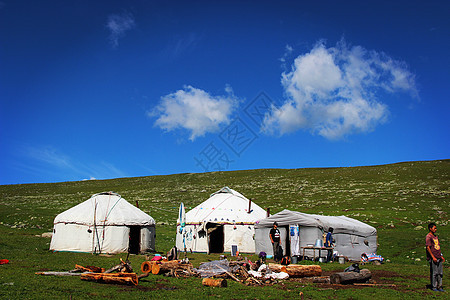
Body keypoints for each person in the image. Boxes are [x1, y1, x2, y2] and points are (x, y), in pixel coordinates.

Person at [426, 223, 445, 292]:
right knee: (435, 273)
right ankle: (434, 287)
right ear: (430, 228)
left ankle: (439, 286)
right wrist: (432, 257)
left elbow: (438, 247)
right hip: (433, 257)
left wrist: (441, 255)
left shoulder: (435, 236)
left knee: (440, 273)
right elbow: (428, 247)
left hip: (438, 256)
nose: (435, 229)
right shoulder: (428, 237)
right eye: (434, 228)